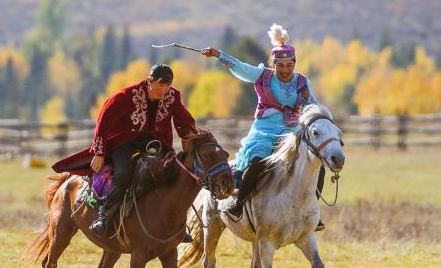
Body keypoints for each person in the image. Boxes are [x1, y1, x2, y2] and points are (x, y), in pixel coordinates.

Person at [202, 24, 326, 229]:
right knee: (257, 161)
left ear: (294, 64)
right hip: (264, 133)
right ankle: (238, 205)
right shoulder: (263, 76)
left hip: (292, 134)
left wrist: (323, 119)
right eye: (280, 66)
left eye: (289, 65)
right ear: (273, 64)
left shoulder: (303, 82)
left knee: (315, 167)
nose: (285, 70)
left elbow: (311, 104)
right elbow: (240, 66)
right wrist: (219, 55)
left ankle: (312, 212)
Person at [52, 64, 198, 237]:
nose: (164, 90)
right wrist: (99, 152)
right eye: (160, 85)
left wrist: (192, 140)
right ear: (150, 80)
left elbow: (184, 119)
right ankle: (104, 216)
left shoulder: (173, 96)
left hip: (155, 142)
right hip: (124, 142)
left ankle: (175, 226)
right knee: (124, 174)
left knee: (171, 171)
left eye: (167, 86)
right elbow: (104, 119)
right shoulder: (127, 96)